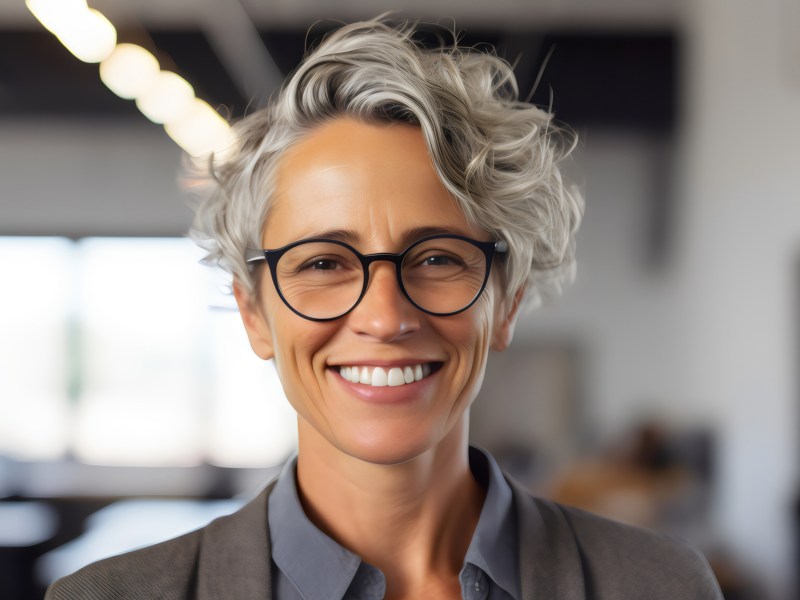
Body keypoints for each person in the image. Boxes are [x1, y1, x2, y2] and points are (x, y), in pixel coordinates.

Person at [47, 18, 722, 600]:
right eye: (322, 264)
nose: (384, 316)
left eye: (435, 258)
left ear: (507, 303)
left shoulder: (657, 584)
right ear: (253, 313)